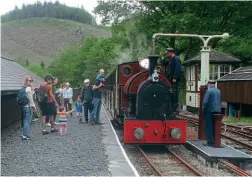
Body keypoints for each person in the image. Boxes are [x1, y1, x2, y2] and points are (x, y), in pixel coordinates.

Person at [160, 48, 181, 112]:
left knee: (174, 92)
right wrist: (162, 57)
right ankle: (170, 106)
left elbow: (177, 69)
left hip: (174, 79)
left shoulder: (176, 59)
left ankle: (175, 106)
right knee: (170, 92)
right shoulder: (170, 60)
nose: (167, 54)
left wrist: (175, 78)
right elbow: (163, 63)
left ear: (171, 53)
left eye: (167, 53)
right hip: (169, 79)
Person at [202, 80, 221, 147]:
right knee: (215, 126)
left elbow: (205, 102)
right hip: (218, 111)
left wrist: (203, 110)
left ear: (209, 84)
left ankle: (209, 142)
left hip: (210, 111)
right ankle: (216, 141)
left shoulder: (209, 91)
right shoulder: (218, 91)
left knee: (209, 126)